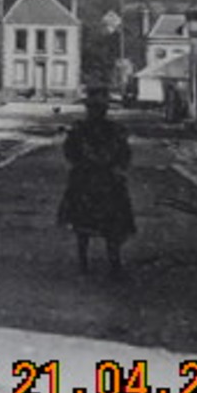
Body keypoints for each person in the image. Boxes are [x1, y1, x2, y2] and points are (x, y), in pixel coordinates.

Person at [57, 84, 136, 277]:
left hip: (93, 179)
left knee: (93, 224)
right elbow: (71, 152)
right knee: (99, 224)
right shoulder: (105, 130)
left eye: (99, 108)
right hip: (99, 180)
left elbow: (70, 153)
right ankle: (107, 263)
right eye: (94, 108)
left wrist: (83, 164)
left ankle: (101, 263)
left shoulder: (85, 130)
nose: (96, 112)